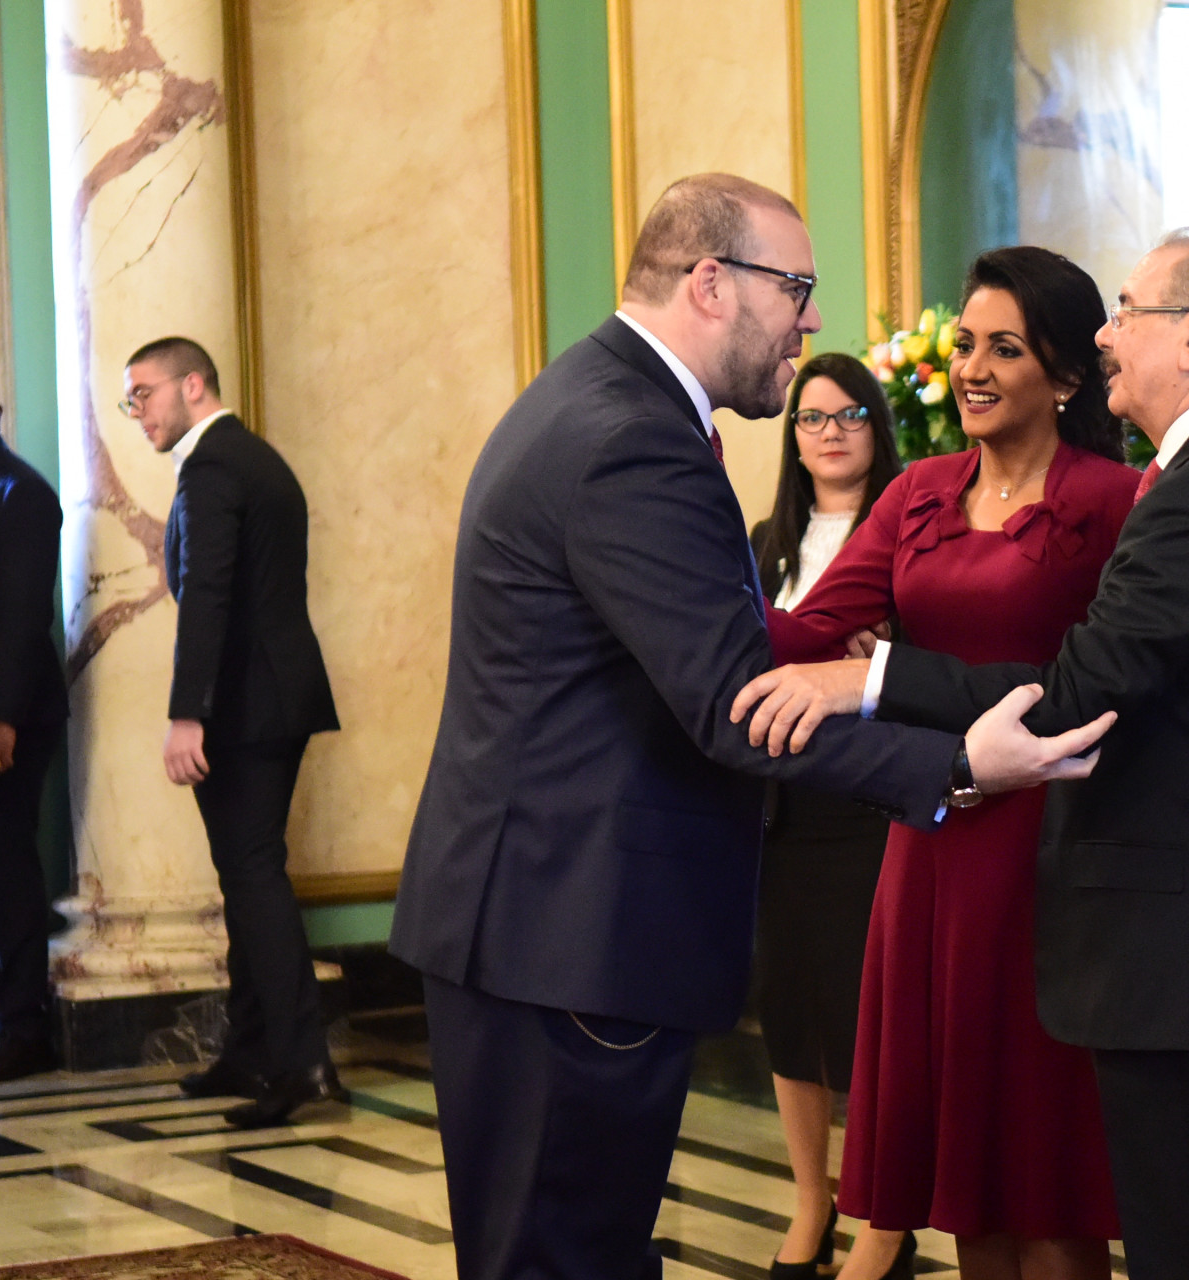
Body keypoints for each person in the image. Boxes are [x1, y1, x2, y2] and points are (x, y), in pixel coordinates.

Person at [386, 173, 1112, 1280]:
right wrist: (962, 763)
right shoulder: (633, 439)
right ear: (712, 283)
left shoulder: (594, 398)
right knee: (564, 1255)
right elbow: (736, 702)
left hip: (534, 917)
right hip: (572, 933)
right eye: (797, 289)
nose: (812, 323)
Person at [735, 231, 1189, 1280]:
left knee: (1184, 1243)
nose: (1109, 335)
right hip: (1167, 929)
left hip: (1175, 940)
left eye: (1128, 312)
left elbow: (1075, 695)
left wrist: (869, 681)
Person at [764, 246, 1139, 1280]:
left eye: (1004, 348)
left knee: (1048, 1172)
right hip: (932, 843)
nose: (971, 368)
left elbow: (1102, 686)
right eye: (966, 343)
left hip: (1054, 856)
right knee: (967, 1173)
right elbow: (806, 633)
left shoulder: (1119, 499)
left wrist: (876, 676)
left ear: (1065, 375)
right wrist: (673, 597)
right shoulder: (917, 492)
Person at [126, 337, 344, 1128]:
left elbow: (210, 592)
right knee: (248, 875)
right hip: (275, 699)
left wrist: (188, 713)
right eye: (129, 400)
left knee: (253, 878)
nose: (137, 412)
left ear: (193, 385)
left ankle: (302, 1062)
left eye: (144, 394)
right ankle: (252, 1050)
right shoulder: (256, 458)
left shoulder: (213, 467)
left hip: (245, 707)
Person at [748, 353, 904, 1278]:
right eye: (812, 418)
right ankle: (813, 1204)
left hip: (870, 807)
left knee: (865, 1017)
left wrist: (885, 657)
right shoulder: (764, 541)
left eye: (851, 415)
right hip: (782, 809)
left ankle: (883, 1219)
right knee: (789, 1009)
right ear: (794, 439)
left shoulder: (910, 532)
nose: (832, 431)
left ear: (877, 429)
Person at [0, 420, 64, 1082]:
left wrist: (3, 716)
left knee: (6, 859)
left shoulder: (24, 493)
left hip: (10, 716)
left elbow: (22, 615)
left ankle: (23, 1028)